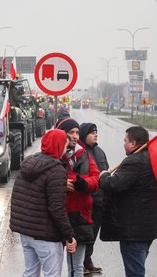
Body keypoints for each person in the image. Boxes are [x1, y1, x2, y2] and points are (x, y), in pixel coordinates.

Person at [10, 129, 77, 277]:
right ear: (58, 146)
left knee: (30, 273)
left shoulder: (29, 163)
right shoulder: (56, 170)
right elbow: (57, 209)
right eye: (64, 147)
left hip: (26, 232)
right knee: (52, 274)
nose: (65, 151)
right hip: (46, 235)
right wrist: (69, 235)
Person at [99, 126, 157, 277]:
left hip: (134, 231)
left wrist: (103, 176)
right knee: (137, 267)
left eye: (125, 141)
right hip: (147, 229)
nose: (124, 144)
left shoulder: (133, 162)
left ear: (133, 143)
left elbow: (113, 185)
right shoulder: (154, 159)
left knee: (135, 272)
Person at [55, 118, 100, 277]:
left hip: (80, 217)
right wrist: (61, 183)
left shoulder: (84, 155)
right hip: (56, 218)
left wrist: (84, 184)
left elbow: (96, 178)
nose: (75, 136)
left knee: (77, 268)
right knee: (54, 267)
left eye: (77, 133)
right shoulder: (53, 155)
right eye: (71, 133)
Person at [79, 123, 110, 275]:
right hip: (86, 202)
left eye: (96, 132)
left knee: (93, 234)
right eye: (92, 133)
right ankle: (81, 263)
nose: (96, 135)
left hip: (100, 202)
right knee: (84, 234)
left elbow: (106, 173)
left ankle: (88, 261)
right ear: (84, 135)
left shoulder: (100, 152)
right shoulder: (80, 153)